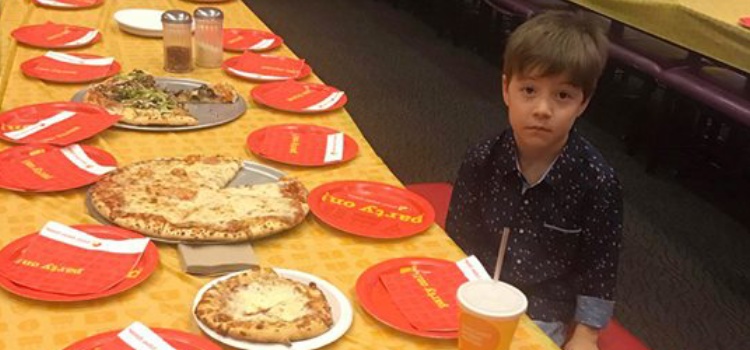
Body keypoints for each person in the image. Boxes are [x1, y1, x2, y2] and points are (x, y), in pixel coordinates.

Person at [446, 10, 622, 350]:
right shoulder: (482, 158)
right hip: (477, 289)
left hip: (543, 308)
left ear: (583, 102)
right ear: (506, 90)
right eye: (529, 90)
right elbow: (458, 236)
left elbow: (600, 268)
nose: (542, 109)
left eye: (562, 96)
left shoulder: (598, 181)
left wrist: (586, 334)